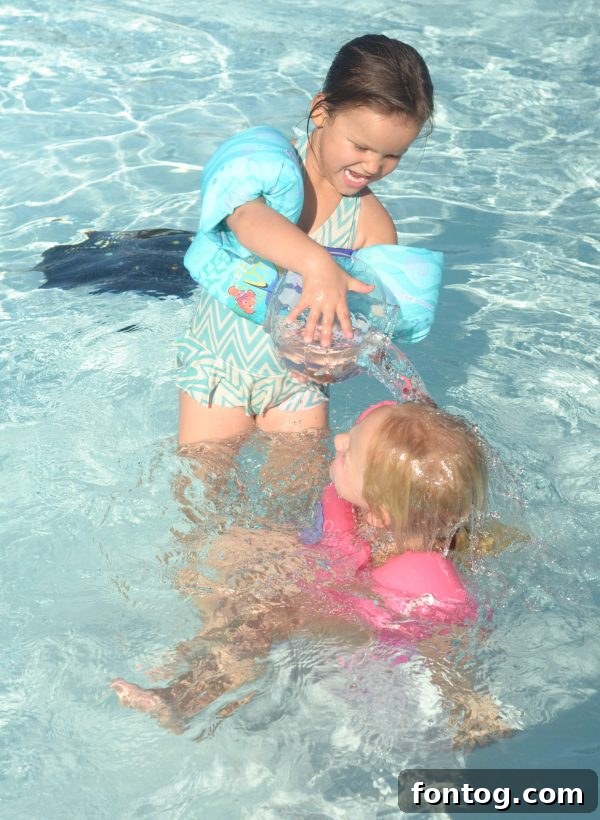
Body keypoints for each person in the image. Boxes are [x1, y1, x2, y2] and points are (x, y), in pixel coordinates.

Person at [112, 400, 513, 749]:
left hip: (370, 626)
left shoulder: (427, 580)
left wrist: (471, 705)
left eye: (348, 453)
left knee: (268, 616)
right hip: (344, 578)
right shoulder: (400, 513)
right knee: (232, 549)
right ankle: (198, 656)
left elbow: (448, 645)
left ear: (378, 512)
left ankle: (182, 698)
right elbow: (399, 431)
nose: (339, 440)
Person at [177, 35, 435, 445]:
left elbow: (363, 325)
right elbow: (246, 219)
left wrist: (331, 362)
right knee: (203, 489)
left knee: (298, 495)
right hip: (219, 366)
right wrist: (317, 264)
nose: (372, 166)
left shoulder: (372, 227)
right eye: (361, 146)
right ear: (321, 111)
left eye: (392, 156)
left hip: (299, 386)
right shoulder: (269, 172)